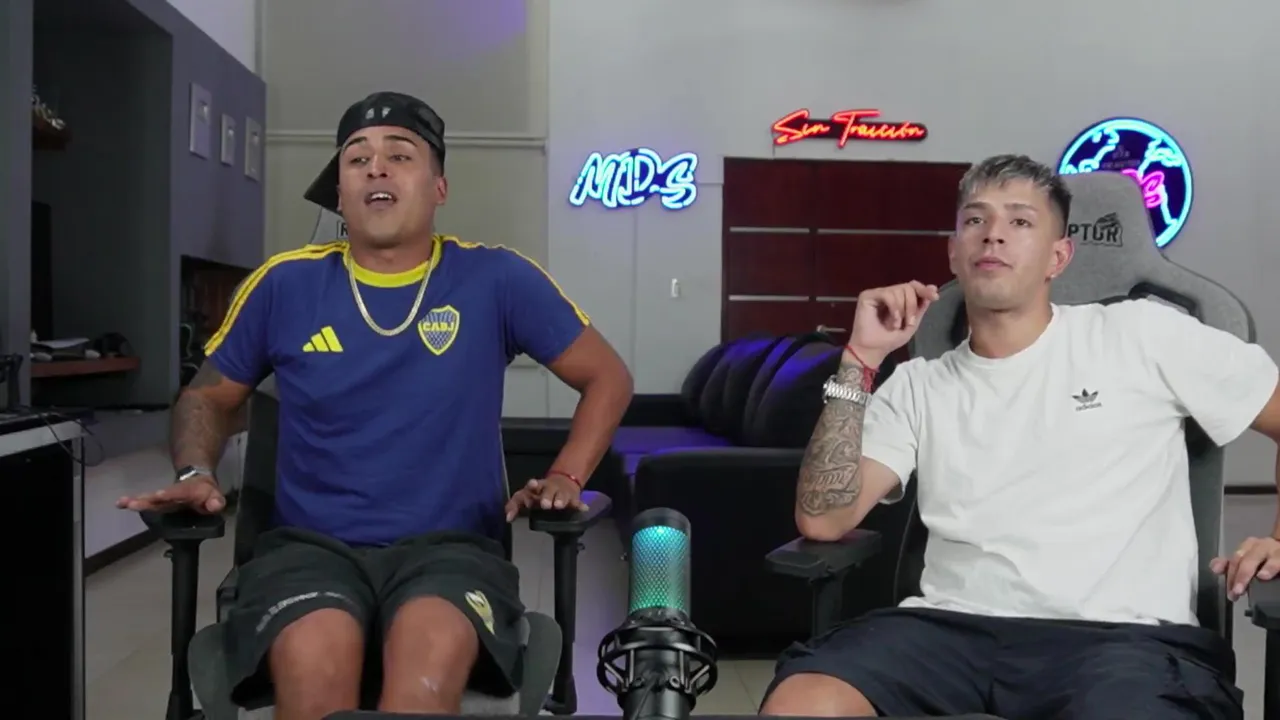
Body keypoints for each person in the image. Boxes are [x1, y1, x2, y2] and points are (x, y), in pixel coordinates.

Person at [117, 91, 633, 720]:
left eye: (400, 155)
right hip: (308, 550)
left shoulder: (497, 279)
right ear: (340, 192)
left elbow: (608, 378)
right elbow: (206, 395)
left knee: (423, 677)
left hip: (453, 551)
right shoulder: (285, 283)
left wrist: (567, 475)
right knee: (314, 673)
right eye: (357, 158)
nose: (376, 168)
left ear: (439, 187)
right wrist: (196, 471)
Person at [760, 154, 1280, 719]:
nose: (994, 234)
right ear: (953, 252)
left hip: (1121, 642)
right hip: (946, 632)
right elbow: (823, 519)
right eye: (975, 219)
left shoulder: (1140, 335)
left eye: (1020, 221)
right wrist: (859, 360)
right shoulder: (917, 385)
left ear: (1059, 256)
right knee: (801, 705)